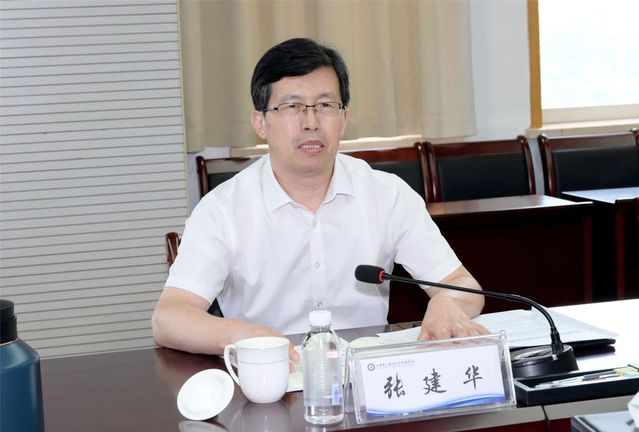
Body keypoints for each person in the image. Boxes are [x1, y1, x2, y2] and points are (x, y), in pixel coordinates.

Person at [152, 38, 488, 359]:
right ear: (260, 122)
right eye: (292, 106)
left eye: (325, 106)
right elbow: (169, 318)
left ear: (344, 119)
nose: (311, 122)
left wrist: (447, 302)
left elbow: (461, 285)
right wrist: (246, 337)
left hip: (367, 378)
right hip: (270, 381)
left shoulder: (387, 195)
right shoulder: (222, 210)